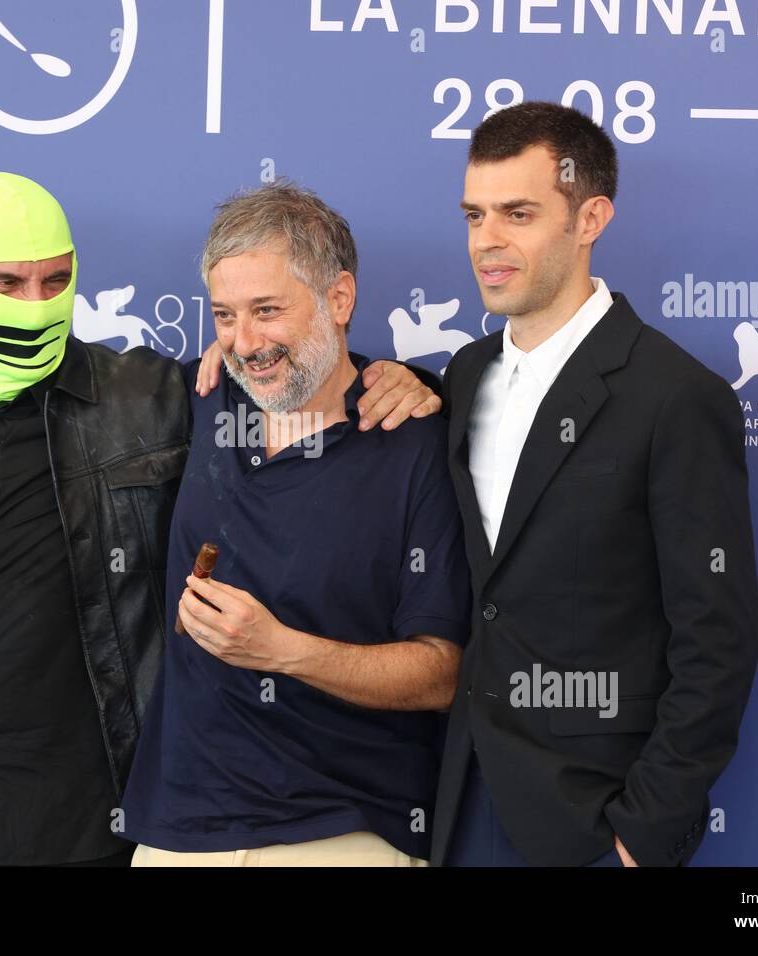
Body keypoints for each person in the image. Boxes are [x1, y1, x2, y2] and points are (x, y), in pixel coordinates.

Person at [0, 171, 439, 867]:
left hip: (91, 826)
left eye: (54, 282)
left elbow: (295, 376)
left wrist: (411, 381)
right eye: (4, 285)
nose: (34, 306)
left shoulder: (146, 397)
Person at [431, 103, 758, 868]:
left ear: (590, 218)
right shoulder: (464, 374)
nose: (488, 241)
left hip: (590, 817)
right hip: (460, 797)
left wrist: (642, 834)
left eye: (519, 213)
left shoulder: (675, 395)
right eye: (475, 214)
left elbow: (717, 640)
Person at [120, 183, 472, 867]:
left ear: (339, 300)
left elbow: (440, 673)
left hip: (345, 830)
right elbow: (53, 383)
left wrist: (281, 650)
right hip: (179, 833)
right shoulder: (197, 397)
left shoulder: (416, 439)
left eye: (267, 310)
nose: (245, 342)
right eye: (224, 315)